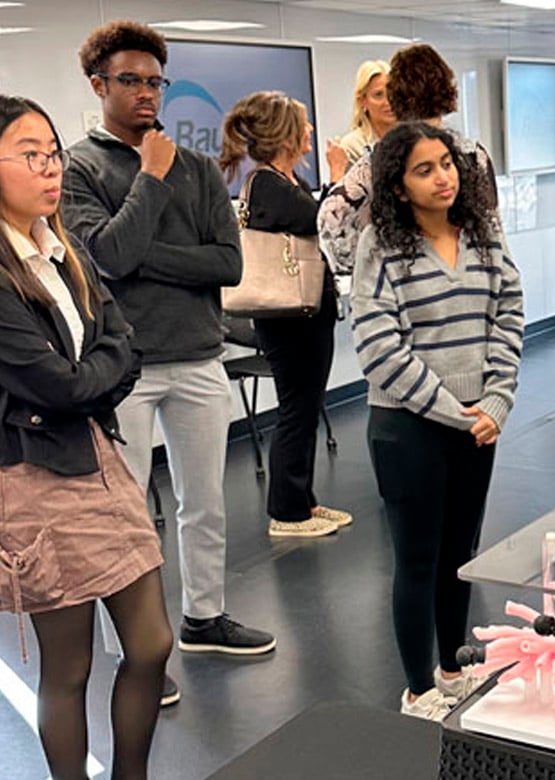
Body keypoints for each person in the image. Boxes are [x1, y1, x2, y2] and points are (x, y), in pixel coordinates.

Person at [62, 21, 275, 677]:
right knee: (124, 518)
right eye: (131, 81)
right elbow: (105, 260)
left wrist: (144, 258)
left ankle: (203, 618)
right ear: (98, 85)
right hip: (123, 370)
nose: (147, 93)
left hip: (199, 358)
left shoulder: (200, 168)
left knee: (204, 502)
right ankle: (137, 654)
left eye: (156, 82)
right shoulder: (80, 167)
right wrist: (150, 180)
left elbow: (227, 263)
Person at [0, 94, 171, 780]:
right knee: (69, 667)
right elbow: (60, 385)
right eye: (31, 155)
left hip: (100, 460)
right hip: (35, 479)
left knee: (152, 644)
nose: (51, 170)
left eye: (54, 153)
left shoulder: (60, 244)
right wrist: (101, 371)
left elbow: (121, 341)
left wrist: (97, 371)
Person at [351, 121, 523, 720]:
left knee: (461, 553)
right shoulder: (381, 245)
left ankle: (453, 670)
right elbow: (379, 346)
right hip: (409, 427)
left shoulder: (482, 231)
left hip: (478, 423)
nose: (443, 176)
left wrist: (496, 401)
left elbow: (508, 312)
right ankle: (418, 687)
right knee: (418, 559)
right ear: (398, 187)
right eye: (424, 169)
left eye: (446, 163)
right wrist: (455, 412)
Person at [219, 91, 351, 538]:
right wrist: (338, 176)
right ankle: (287, 512)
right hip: (288, 320)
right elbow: (323, 222)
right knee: (297, 411)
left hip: (307, 316)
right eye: (303, 124)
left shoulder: (282, 179)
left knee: (307, 408)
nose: (311, 131)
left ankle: (304, 501)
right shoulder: (269, 185)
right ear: (285, 134)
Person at [318, 43, 496, 277]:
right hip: (469, 276)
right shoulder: (473, 155)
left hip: (408, 278)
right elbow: (493, 226)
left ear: (397, 96)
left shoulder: (383, 157)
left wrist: (363, 264)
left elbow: (332, 219)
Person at [335, 59, 394, 168]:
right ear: (362, 101)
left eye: (393, 94)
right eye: (378, 95)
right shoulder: (352, 146)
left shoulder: (413, 139)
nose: (388, 102)